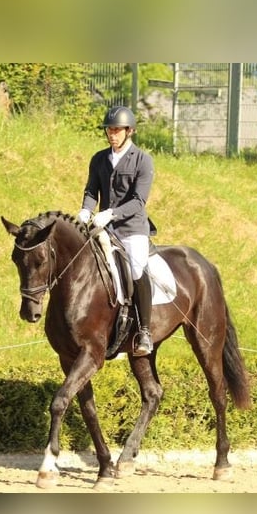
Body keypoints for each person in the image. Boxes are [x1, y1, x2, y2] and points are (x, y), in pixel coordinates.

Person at [77, 105, 155, 356]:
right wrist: (85, 211)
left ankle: (144, 331)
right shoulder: (99, 158)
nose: (112, 134)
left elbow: (138, 201)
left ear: (129, 131)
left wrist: (111, 213)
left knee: (135, 267)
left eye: (117, 130)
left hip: (132, 228)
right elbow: (92, 191)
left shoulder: (143, 160)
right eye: (109, 130)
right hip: (103, 228)